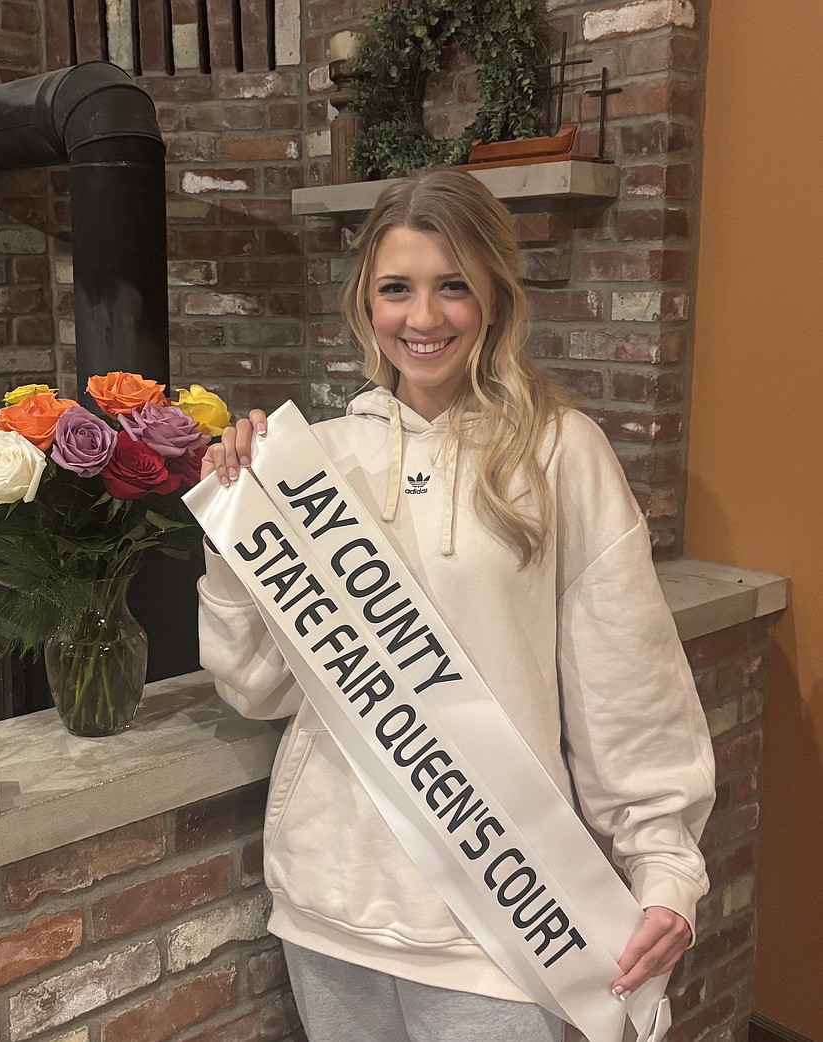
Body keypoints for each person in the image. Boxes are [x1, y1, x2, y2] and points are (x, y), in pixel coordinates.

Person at [196, 168, 715, 1042]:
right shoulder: (310, 462)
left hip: (502, 918)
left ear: (495, 300)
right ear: (367, 302)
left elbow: (627, 679)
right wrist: (231, 528)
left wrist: (665, 866)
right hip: (332, 904)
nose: (424, 319)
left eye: (454, 288)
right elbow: (256, 690)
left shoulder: (560, 453)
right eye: (397, 289)